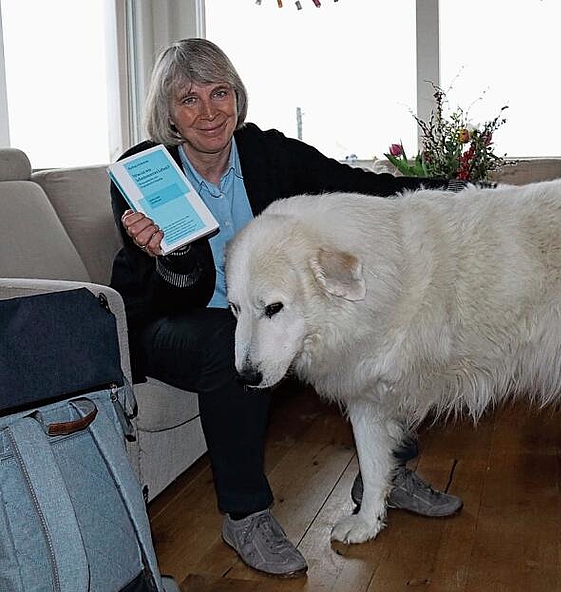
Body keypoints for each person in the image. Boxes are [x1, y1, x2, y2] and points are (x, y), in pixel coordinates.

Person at [109, 37, 463, 578]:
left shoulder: (266, 153)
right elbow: (179, 288)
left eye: (219, 93)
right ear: (168, 114)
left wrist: (456, 195)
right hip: (172, 315)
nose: (209, 112)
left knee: (379, 324)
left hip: (267, 311)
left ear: (237, 97)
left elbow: (360, 189)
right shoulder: (144, 172)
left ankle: (388, 474)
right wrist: (168, 253)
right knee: (225, 348)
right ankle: (245, 513)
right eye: (189, 99)